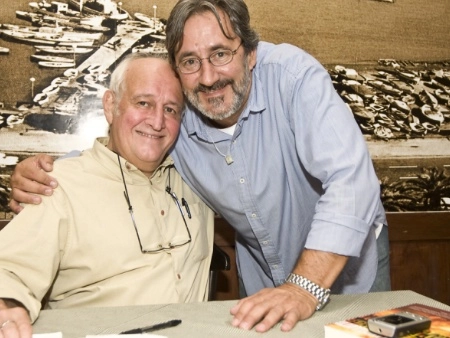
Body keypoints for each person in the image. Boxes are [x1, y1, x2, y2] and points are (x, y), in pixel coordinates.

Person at [9, 0, 391, 333]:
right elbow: (129, 147)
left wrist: (304, 286)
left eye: (221, 53)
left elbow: (352, 183)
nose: (208, 77)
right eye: (190, 61)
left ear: (251, 53)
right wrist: (50, 171)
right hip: (263, 283)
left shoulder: (293, 78)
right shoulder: (182, 111)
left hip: (346, 268)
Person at [0, 53, 214, 338]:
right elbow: (9, 269)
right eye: (143, 103)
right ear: (111, 106)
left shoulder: (197, 182)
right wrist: (8, 306)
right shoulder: (58, 187)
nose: (158, 121)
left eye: (171, 110)